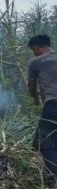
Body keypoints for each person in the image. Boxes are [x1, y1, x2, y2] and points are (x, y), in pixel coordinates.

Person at [27, 34, 57, 181]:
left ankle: (53, 177)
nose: (33, 52)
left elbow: (32, 87)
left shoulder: (35, 62)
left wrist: (36, 100)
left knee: (41, 141)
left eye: (33, 49)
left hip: (53, 104)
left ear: (37, 48)